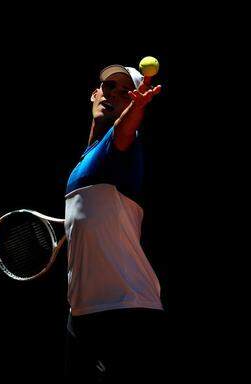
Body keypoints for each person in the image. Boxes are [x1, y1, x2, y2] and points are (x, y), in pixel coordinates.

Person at [63, 62, 165, 381]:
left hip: (126, 311)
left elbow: (124, 129)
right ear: (95, 93)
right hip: (81, 316)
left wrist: (135, 108)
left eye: (126, 92)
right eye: (110, 88)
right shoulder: (84, 160)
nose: (115, 95)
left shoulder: (118, 145)